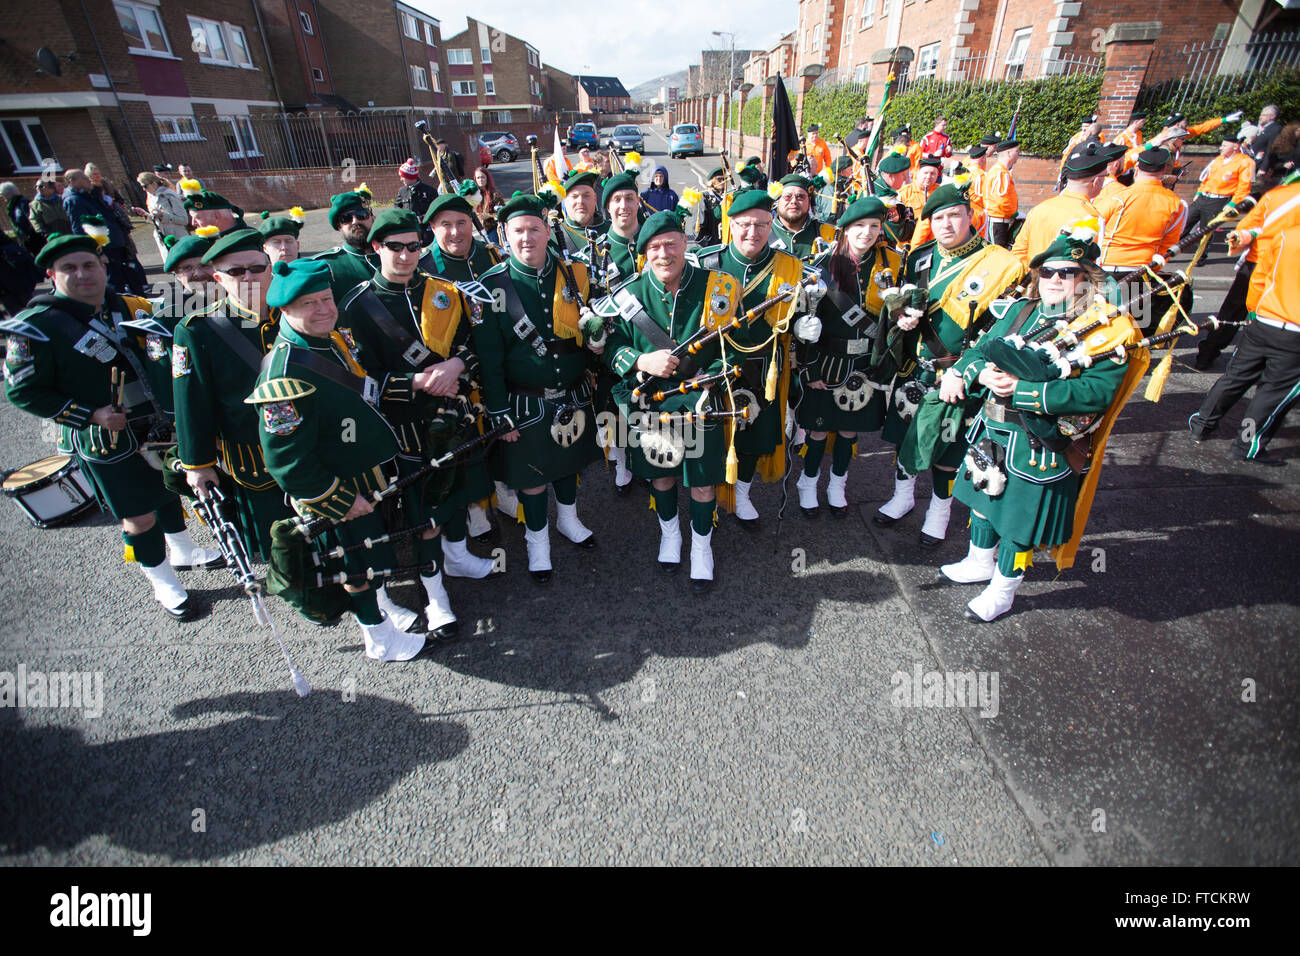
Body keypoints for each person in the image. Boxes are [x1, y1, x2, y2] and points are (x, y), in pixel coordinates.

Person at [2, 234, 221, 620]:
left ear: (104, 267)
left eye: (89, 265)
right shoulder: (34, 327)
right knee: (138, 514)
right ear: (52, 274)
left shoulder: (129, 306)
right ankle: (161, 580)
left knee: (168, 491)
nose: (82, 274)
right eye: (70, 268)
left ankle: (184, 549)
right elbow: (23, 392)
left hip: (155, 425)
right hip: (104, 437)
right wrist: (89, 414)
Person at [940, 227, 1146, 622]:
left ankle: (1003, 591)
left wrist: (1019, 390)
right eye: (1047, 271)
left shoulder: (1109, 328)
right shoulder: (1021, 310)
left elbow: (1097, 392)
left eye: (1067, 272)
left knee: (1020, 522)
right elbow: (980, 351)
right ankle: (979, 561)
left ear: (1086, 277)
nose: (1054, 279)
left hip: (1042, 441)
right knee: (983, 503)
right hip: (994, 427)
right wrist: (978, 375)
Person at [249, 258, 431, 662]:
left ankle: (381, 617)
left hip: (363, 476)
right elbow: (286, 462)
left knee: (368, 558)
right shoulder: (282, 376)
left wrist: (418, 383)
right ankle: (378, 638)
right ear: (285, 310)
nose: (324, 309)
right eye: (309, 304)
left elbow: (364, 389)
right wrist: (340, 500)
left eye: (327, 299)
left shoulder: (329, 340)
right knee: (354, 568)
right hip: (335, 488)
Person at [337, 207, 498, 607]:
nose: (406, 255)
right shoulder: (356, 307)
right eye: (395, 247)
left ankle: (458, 556)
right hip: (403, 426)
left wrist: (458, 364)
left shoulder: (444, 291)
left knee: (458, 493)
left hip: (453, 414)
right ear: (376, 246)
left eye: (413, 246)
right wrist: (417, 382)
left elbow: (475, 345)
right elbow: (357, 380)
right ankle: (435, 594)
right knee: (425, 516)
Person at [875, 183, 1026, 547]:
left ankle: (939, 511)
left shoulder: (1002, 265)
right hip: (916, 367)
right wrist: (902, 318)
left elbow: (1004, 328)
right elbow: (904, 300)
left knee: (948, 447)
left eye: (954, 215)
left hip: (958, 373)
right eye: (938, 218)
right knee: (906, 437)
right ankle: (903, 496)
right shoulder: (920, 257)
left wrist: (965, 370)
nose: (946, 224)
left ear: (969, 216)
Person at [599, 210, 739, 591]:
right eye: (655, 248)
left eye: (671, 244)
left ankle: (701, 548)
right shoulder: (628, 294)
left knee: (702, 483)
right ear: (644, 253)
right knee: (661, 476)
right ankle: (670, 535)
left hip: (700, 400)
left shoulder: (718, 285)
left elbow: (736, 342)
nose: (664, 254)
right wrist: (642, 359)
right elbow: (610, 347)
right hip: (652, 401)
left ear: (684, 244)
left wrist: (717, 371)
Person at [470, 193, 602, 582]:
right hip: (523, 401)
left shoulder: (574, 274)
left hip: (573, 392)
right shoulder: (489, 287)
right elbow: (489, 360)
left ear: (547, 230)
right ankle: (537, 542)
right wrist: (498, 411)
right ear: (504, 235)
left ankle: (569, 520)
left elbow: (588, 325)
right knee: (532, 476)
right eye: (517, 231)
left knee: (568, 464)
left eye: (533, 229)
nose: (526, 237)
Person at [693, 188, 815, 525]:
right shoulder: (708, 262)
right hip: (714, 366)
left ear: (771, 223)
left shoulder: (789, 266)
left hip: (764, 369)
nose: (753, 232)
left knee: (751, 436)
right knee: (712, 434)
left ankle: (742, 493)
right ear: (731, 223)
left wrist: (803, 324)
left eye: (761, 224)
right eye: (745, 224)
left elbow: (797, 311)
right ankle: (709, 494)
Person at [173, 228, 293, 560]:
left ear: (270, 267)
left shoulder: (297, 311)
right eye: (236, 271)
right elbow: (190, 403)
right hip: (254, 456)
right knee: (279, 542)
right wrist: (198, 464)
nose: (249, 276)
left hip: (313, 445)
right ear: (218, 277)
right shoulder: (198, 330)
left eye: (256, 267)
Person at [795, 196, 900, 517]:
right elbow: (805, 320)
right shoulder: (822, 266)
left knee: (849, 431)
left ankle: (837, 484)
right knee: (818, 429)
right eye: (859, 227)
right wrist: (809, 368)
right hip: (828, 360)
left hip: (865, 365)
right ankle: (807, 482)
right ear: (845, 229)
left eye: (874, 227)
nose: (866, 233)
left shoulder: (890, 264)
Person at [1188, 172, 1300, 465]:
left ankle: (1202, 423)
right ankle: (1246, 444)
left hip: (1264, 320)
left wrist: (1253, 312)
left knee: (1235, 377)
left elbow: (1260, 277)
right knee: (1272, 394)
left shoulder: (1287, 235)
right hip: (1295, 334)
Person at [1012, 141, 1116, 265]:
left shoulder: (1039, 208)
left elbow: (1019, 252)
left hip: (1035, 280)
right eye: (1104, 177)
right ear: (1097, 181)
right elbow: (1093, 265)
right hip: (1066, 282)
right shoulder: (1091, 217)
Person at [1095, 146, 1187, 283]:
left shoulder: (1118, 197)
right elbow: (1169, 242)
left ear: (1136, 170)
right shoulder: (1177, 204)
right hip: (1144, 268)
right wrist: (1155, 266)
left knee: (1103, 304)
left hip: (1110, 265)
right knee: (1136, 304)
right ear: (1163, 170)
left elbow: (1095, 228)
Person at [62, 169, 147, 295]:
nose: (87, 180)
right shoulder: (74, 200)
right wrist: (98, 251)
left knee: (132, 277)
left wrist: (95, 191)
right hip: (106, 248)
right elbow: (80, 229)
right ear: (72, 181)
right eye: (83, 178)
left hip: (117, 243)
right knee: (115, 283)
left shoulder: (89, 196)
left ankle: (141, 305)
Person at [1183, 128, 1255, 250]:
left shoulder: (1246, 162)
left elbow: (1244, 187)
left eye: (1224, 145)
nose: (1221, 148)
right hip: (1204, 197)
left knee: (1206, 230)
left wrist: (1233, 203)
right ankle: (1168, 252)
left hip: (1219, 200)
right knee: (1185, 223)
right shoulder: (1219, 159)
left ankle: (1200, 256)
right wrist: (1200, 191)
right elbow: (1208, 178)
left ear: (1235, 147)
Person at [311, 188, 376, 299]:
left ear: (373, 218)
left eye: (361, 215)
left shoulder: (396, 253)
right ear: (339, 227)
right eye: (346, 218)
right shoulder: (326, 266)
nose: (355, 221)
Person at [770, 174, 836, 260]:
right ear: (777, 201)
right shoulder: (763, 233)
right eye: (787, 197)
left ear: (809, 200)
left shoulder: (830, 233)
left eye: (800, 197)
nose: (793, 201)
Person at [134, 171, 188, 260]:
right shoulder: (150, 197)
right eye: (141, 187)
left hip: (177, 236)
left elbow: (184, 220)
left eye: (145, 186)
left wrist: (163, 216)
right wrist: (145, 214)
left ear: (153, 184)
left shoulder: (169, 195)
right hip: (163, 239)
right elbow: (156, 221)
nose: (144, 189)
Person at [896, 156, 942, 251]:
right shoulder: (904, 193)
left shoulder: (941, 193)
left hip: (933, 245)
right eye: (925, 173)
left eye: (933, 173)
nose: (929, 176)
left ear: (937, 175)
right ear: (918, 173)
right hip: (908, 246)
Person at [873, 150, 915, 248]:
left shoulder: (876, 185)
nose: (905, 179)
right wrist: (914, 223)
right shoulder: (885, 197)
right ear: (890, 176)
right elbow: (898, 233)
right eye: (903, 175)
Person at [984, 138, 1021, 248]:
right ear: (1009, 153)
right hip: (998, 220)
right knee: (997, 253)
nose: (1018, 154)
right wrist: (1013, 212)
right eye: (1017, 151)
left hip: (1000, 220)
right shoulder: (1000, 172)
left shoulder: (1001, 171)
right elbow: (1001, 199)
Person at [556, 169, 603, 254]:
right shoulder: (554, 236)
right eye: (574, 196)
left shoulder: (612, 230)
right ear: (565, 201)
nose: (580, 201)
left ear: (595, 199)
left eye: (586, 196)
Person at [1057, 115, 1102, 188]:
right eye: (1083, 128)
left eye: (1086, 128)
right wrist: (1061, 173)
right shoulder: (1076, 137)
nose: (1084, 131)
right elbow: (1067, 156)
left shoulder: (1099, 138)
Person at [395, 158, 437, 235]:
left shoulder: (430, 191)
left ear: (410, 177)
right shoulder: (402, 191)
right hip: (408, 230)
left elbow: (436, 211)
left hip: (426, 231)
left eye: (402, 177)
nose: (401, 179)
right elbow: (397, 207)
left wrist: (421, 219)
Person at [28, 178, 71, 243]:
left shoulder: (62, 199)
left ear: (52, 188)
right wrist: (45, 234)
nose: (39, 188)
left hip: (69, 233)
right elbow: (35, 220)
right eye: (36, 186)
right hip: (52, 237)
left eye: (41, 186)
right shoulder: (35, 205)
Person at [695, 166, 728, 247]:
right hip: (711, 246)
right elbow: (699, 229)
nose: (722, 182)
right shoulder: (705, 198)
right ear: (711, 182)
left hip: (725, 244)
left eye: (724, 179)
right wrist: (708, 244)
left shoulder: (727, 198)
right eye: (719, 179)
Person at [470, 166, 504, 233]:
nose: (480, 180)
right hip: (480, 229)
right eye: (478, 178)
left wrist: (488, 215)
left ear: (487, 178)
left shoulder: (495, 194)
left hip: (494, 229)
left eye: (483, 177)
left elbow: (503, 212)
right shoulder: (474, 194)